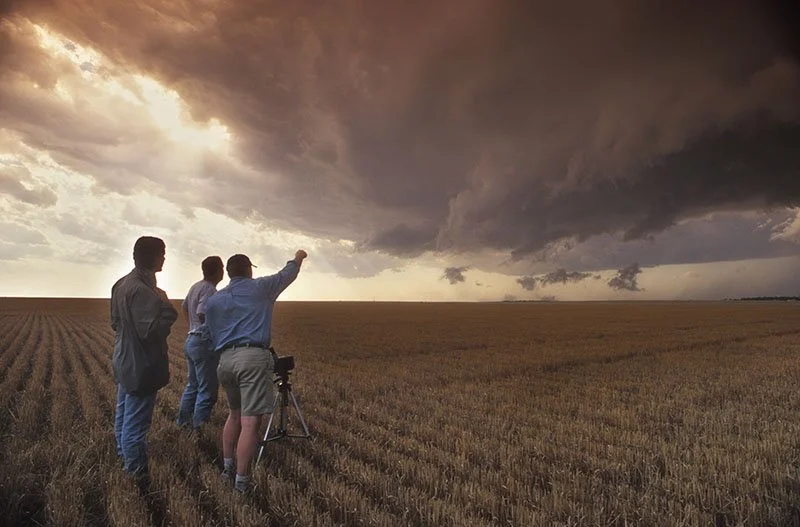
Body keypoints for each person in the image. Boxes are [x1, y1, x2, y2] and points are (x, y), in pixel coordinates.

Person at [205, 250, 308, 494]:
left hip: (225, 360)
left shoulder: (214, 300)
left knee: (233, 415)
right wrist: (299, 257)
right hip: (252, 357)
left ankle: (227, 468)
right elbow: (288, 274)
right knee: (250, 423)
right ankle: (242, 481)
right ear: (249, 270)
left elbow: (210, 333)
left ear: (228, 273)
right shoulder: (261, 287)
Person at [111, 236, 178, 484]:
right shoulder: (141, 290)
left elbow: (115, 323)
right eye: (161, 253)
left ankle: (125, 460)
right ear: (149, 257)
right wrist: (168, 310)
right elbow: (150, 332)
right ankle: (136, 473)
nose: (164, 258)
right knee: (136, 424)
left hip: (124, 359)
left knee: (124, 414)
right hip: (141, 364)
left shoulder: (121, 284)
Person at [176, 255, 225, 431]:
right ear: (220, 271)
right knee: (207, 391)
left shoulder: (195, 286)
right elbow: (202, 312)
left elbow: (183, 307)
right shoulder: (210, 290)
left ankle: (183, 424)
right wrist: (213, 329)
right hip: (203, 343)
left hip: (191, 339)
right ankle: (199, 429)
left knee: (193, 385)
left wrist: (191, 327)